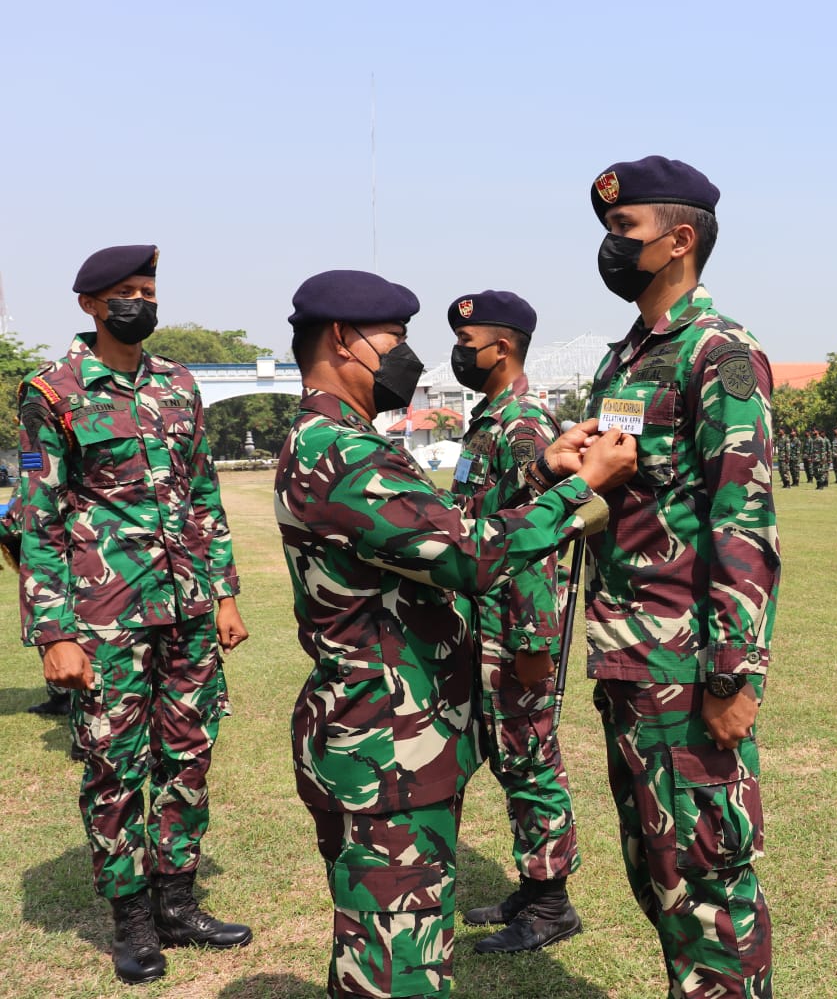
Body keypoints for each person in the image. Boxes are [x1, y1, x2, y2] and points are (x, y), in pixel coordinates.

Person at [276, 269, 635, 999]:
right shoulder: (342, 451)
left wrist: (537, 470)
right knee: (395, 969)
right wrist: (583, 488)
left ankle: (546, 893)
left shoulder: (337, 440)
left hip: (382, 732)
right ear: (344, 340)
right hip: (388, 743)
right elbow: (468, 553)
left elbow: (431, 529)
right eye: (398, 340)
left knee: (382, 946)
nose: (414, 358)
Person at [14, 244, 252, 985]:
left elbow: (203, 493)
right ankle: (133, 920)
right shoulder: (50, 392)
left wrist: (226, 592)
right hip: (104, 614)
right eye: (123, 291)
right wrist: (54, 633)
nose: (139, 302)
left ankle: (177, 902)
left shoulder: (181, 385)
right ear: (89, 304)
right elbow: (40, 519)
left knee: (189, 755)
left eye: (147, 289)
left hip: (186, 607)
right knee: (114, 765)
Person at [585, 155, 779, 998]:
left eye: (625, 230)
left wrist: (735, 672)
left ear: (681, 240)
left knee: (708, 883)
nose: (609, 245)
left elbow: (745, 518)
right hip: (626, 658)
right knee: (659, 878)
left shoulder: (721, 352)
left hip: (685, 666)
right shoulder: (624, 361)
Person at [440, 290, 585, 954]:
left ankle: (552, 904)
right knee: (510, 757)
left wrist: (532, 641)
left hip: (514, 629)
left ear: (501, 348)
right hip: (484, 623)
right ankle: (532, 885)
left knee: (531, 759)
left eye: (467, 346)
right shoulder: (488, 421)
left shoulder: (524, 423)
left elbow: (537, 541)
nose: (458, 355)